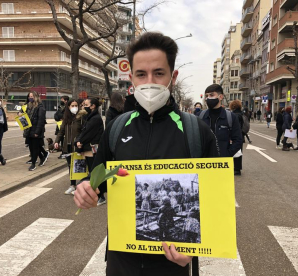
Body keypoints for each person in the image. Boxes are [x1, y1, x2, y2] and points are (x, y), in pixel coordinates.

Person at [73, 32, 219, 276]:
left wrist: (195, 249)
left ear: (173, 77)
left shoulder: (196, 131)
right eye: (141, 74)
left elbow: (215, 199)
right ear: (131, 78)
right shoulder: (117, 128)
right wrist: (86, 189)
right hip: (121, 262)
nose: (149, 82)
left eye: (159, 73)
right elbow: (99, 179)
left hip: (172, 265)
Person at [200, 84, 243, 161]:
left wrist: (226, 155)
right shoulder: (201, 116)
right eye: (206, 96)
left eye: (211, 95)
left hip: (223, 163)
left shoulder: (231, 117)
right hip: (204, 163)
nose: (208, 98)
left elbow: (238, 140)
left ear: (220, 97)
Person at [75, 98, 105, 204]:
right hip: (89, 148)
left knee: (94, 172)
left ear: (92, 106)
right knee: (91, 171)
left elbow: (88, 132)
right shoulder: (89, 117)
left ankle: (100, 195)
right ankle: (97, 194)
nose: (83, 106)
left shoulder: (95, 118)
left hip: (93, 148)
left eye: (86, 104)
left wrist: (79, 141)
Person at [55, 99, 87, 194]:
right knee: (70, 166)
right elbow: (61, 131)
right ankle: (72, 185)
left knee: (80, 166)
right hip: (67, 146)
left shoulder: (82, 117)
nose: (74, 107)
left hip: (77, 146)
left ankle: (81, 186)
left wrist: (81, 142)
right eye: (72, 106)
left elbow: (84, 131)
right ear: (68, 107)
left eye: (76, 105)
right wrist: (57, 141)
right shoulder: (66, 118)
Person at [23, 91, 47, 171]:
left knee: (35, 148)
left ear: (36, 97)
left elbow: (41, 121)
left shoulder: (40, 107)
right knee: (31, 146)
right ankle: (43, 157)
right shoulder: (28, 106)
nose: (30, 98)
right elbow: (25, 117)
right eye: (29, 96)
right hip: (29, 130)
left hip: (36, 130)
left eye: (32, 96)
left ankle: (33, 164)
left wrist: (37, 132)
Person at [229, 100, 244, 175]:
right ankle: (237, 168)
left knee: (232, 151)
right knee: (239, 152)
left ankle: (234, 168)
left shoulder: (233, 115)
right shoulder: (242, 114)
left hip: (233, 135)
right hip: (241, 135)